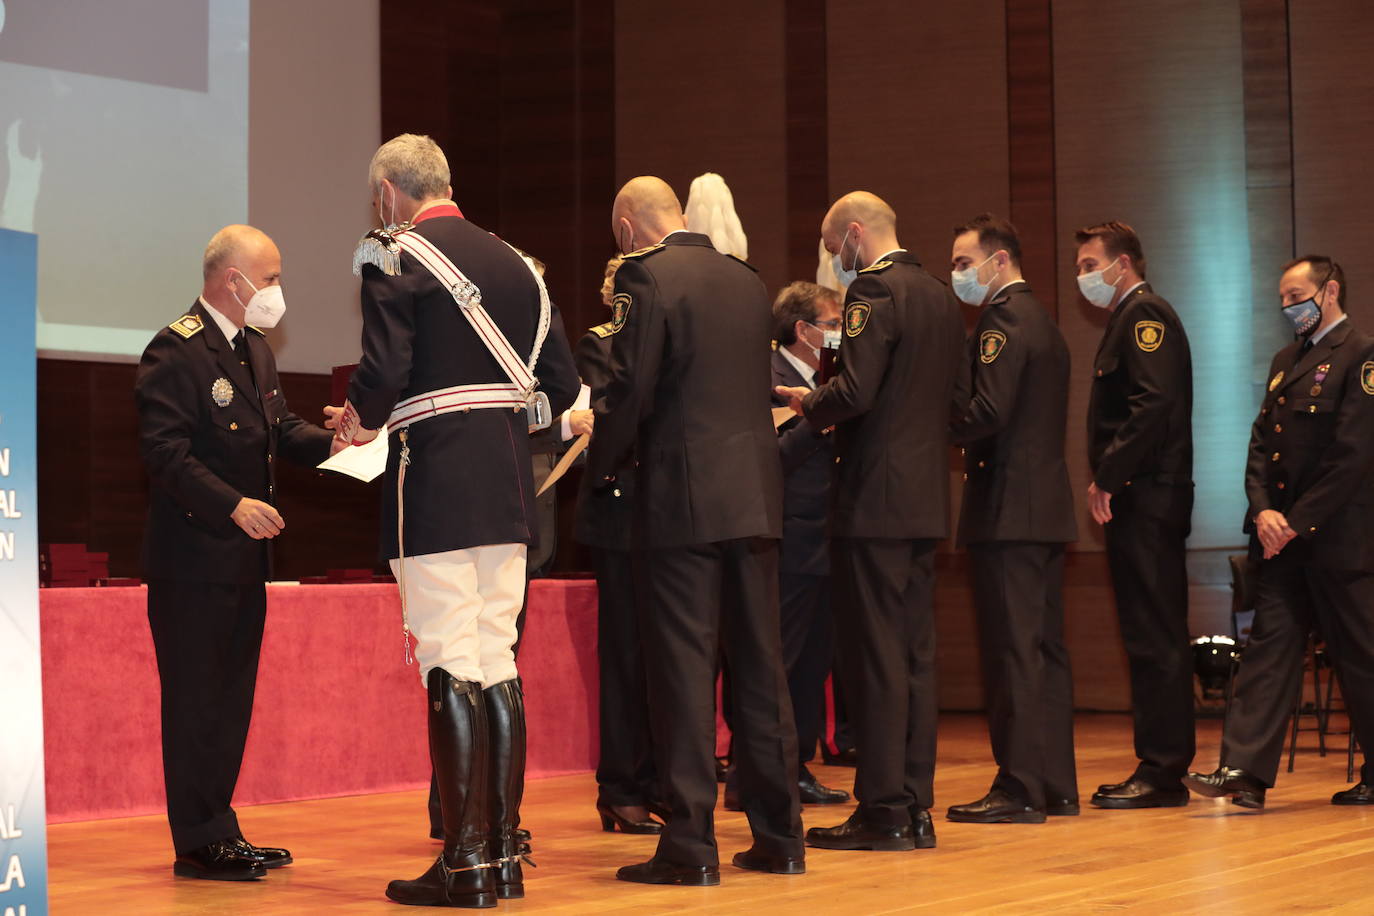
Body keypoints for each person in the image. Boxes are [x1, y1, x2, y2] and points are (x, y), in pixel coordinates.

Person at [332, 134, 578, 907]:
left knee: (447, 654)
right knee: (495, 655)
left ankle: (464, 860)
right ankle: (502, 854)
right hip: (507, 482)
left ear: (386, 195)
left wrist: (359, 419)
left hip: (434, 475)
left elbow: (384, 368)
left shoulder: (392, 251)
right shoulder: (520, 265)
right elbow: (562, 386)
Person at [590, 176, 804, 885]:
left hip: (680, 503)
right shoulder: (747, 281)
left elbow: (628, 388)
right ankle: (780, 836)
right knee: (761, 669)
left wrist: (603, 462)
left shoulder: (645, 279)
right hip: (754, 499)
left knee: (681, 672)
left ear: (627, 228)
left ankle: (689, 844)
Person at [135, 224, 337, 881]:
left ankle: (220, 828)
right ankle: (197, 841)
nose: (277, 291)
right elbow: (165, 453)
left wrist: (342, 442)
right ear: (234, 281)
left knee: (229, 700)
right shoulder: (176, 350)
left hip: (244, 564)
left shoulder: (254, 350)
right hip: (193, 561)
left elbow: (279, 430)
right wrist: (232, 504)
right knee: (196, 700)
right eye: (271, 278)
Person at [777, 191, 965, 852]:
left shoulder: (873, 294)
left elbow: (855, 391)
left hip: (873, 500)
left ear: (855, 235)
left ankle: (882, 808)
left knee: (877, 656)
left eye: (834, 250)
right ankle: (915, 802)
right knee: (915, 654)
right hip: (923, 501)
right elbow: (960, 401)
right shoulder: (942, 295)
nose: (835, 263)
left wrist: (810, 404)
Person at [1186, 255, 1374, 809]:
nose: (1287, 307)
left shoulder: (1362, 354)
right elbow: (1259, 446)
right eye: (1283, 300)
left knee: (1361, 657)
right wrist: (1264, 510)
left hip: (1338, 538)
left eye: (1296, 296)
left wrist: (1296, 521)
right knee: (1267, 651)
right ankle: (1242, 772)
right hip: (1279, 540)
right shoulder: (1284, 359)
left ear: (1330, 291)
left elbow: (1353, 454)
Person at [945, 214, 1078, 824]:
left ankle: (1020, 787)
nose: (957, 275)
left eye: (963, 263)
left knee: (1013, 653)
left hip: (1008, 511)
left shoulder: (1001, 320)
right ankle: (1053, 783)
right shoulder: (1043, 322)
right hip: (1044, 509)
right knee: (1044, 650)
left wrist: (933, 414)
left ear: (999, 262)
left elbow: (986, 411)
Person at [1076, 221, 1197, 809]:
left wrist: (1108, 476)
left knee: (1155, 634)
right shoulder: (1126, 318)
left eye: (1088, 264)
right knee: (1145, 633)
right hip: (1142, 496)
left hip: (1148, 496)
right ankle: (1157, 763)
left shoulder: (1145, 316)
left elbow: (1152, 404)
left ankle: (1164, 769)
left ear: (1121, 264)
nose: (1083, 277)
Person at [574, 256, 664, 834]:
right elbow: (611, 418)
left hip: (667, 511)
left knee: (666, 657)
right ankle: (621, 786)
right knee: (626, 656)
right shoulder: (600, 344)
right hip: (619, 510)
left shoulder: (666, 340)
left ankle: (660, 779)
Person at [765, 280, 850, 806]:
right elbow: (772, 458)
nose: (839, 334)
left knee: (816, 659)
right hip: (790, 537)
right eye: (832, 325)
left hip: (828, 535)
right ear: (803, 330)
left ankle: (797, 765)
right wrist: (817, 418)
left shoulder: (830, 379)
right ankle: (772, 769)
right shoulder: (768, 380)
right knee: (786, 658)